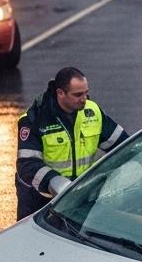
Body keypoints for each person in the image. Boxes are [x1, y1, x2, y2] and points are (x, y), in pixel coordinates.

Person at [15, 67, 129, 219]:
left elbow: (122, 143)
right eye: (78, 95)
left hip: (78, 196)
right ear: (60, 93)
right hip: (40, 199)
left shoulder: (91, 111)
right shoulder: (34, 119)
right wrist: (55, 182)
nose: (84, 99)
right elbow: (27, 165)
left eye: (86, 92)